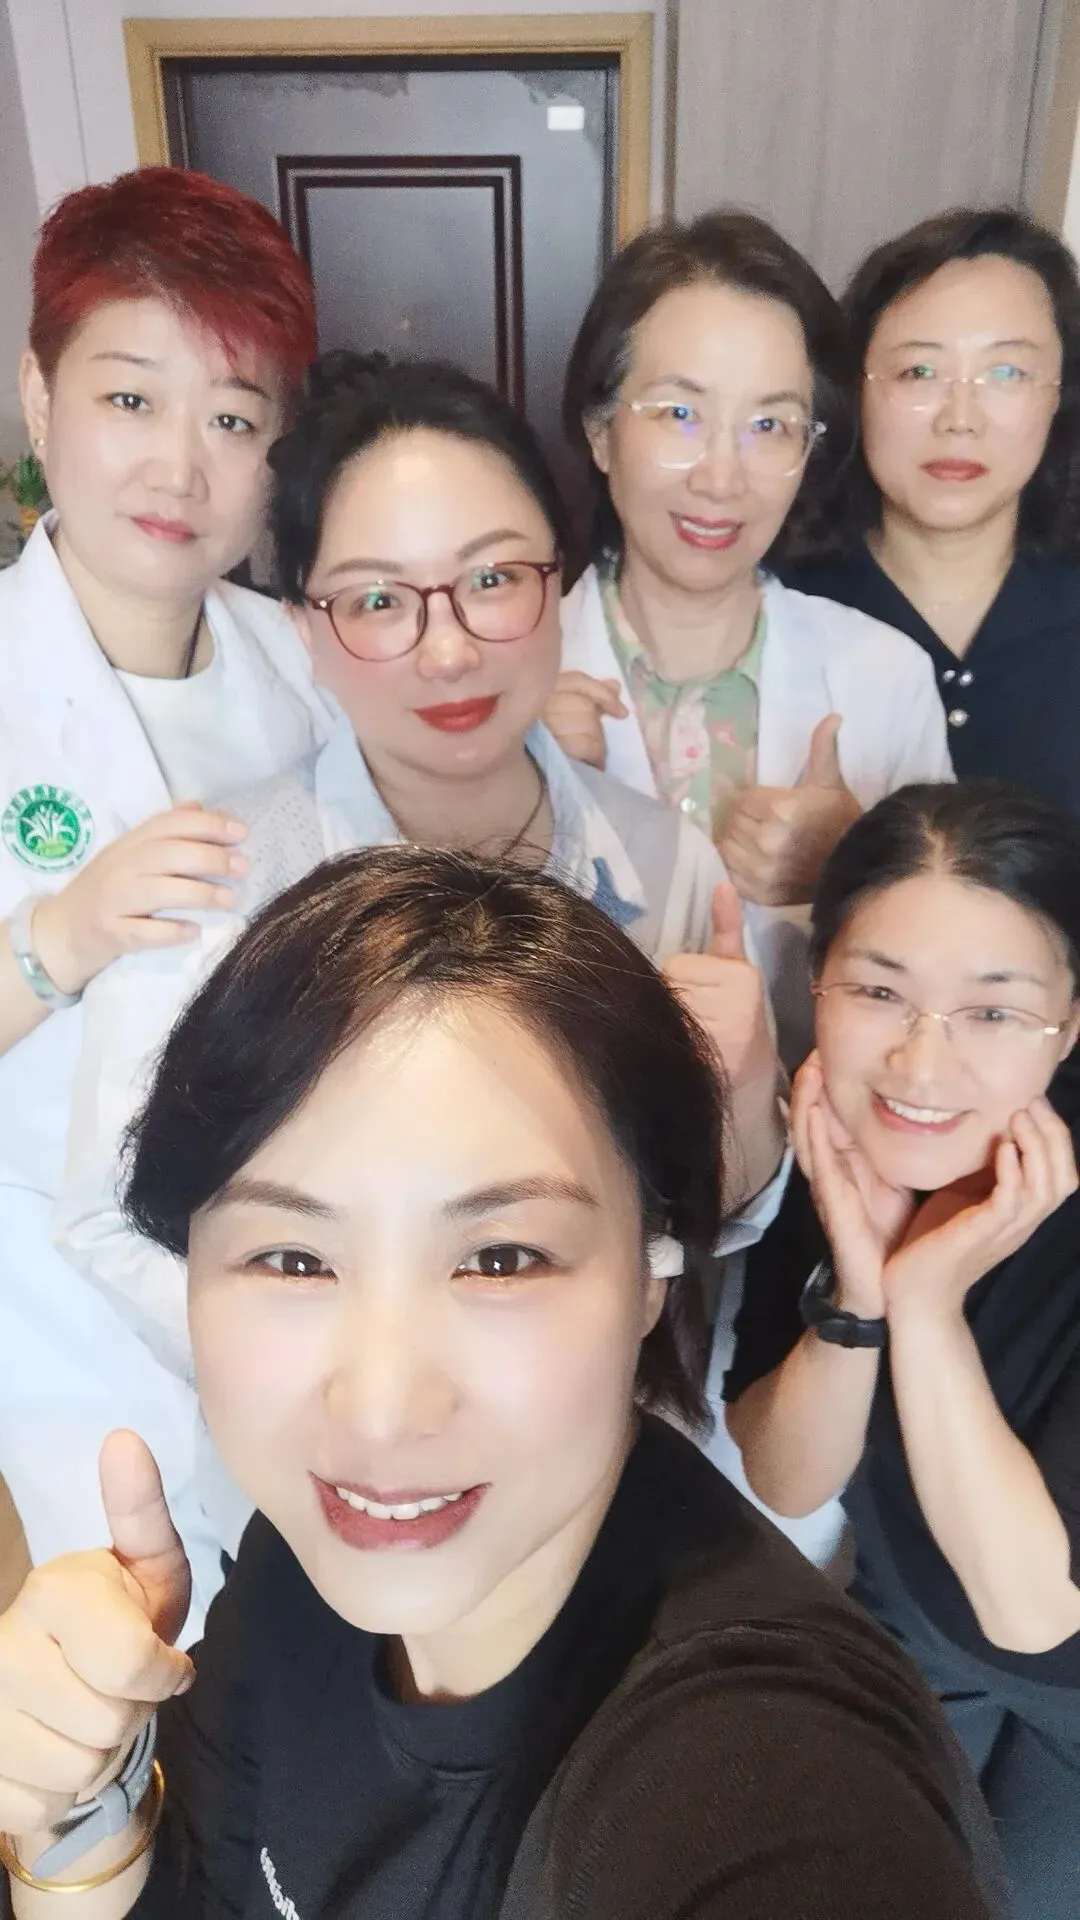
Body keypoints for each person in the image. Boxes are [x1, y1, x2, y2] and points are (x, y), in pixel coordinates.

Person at [0, 848, 1001, 1917]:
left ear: (652, 1270)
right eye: (293, 1260)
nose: (381, 1412)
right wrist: (83, 1800)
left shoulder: (769, 1776)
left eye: (501, 1258)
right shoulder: (299, 1570)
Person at [55, 352, 787, 1569]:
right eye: (378, 600)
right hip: (327, 1500)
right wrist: (326, 1362)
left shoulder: (663, 864)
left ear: (558, 584)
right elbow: (107, 1216)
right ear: (309, 629)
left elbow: (708, 1225)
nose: (447, 652)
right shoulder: (218, 888)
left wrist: (748, 1105)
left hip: (598, 1506)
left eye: (493, 579)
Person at [0, 165, 333, 1629]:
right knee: (133, 1639)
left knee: (308, 1625)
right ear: (39, 399)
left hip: (293, 1250)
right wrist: (57, 938)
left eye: (233, 420)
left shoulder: (299, 665)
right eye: (131, 399)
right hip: (57, 1295)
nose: (180, 469)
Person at [725, 781, 1080, 1920]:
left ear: (1068, 1026)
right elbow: (785, 1476)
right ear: (817, 983)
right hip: (908, 1628)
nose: (922, 1069)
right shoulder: (838, 1144)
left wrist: (928, 1309)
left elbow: (1033, 1614)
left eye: (993, 1012)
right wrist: (861, 1290)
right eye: (880, 992)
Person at [544, 210, 952, 1066]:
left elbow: (947, 979)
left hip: (817, 1133)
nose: (722, 478)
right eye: (679, 413)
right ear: (601, 430)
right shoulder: (512, 675)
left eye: (770, 426)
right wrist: (522, 789)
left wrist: (854, 866)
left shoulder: (885, 677)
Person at [783, 208, 1080, 816]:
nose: (959, 419)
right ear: (855, 389)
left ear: (1060, 394)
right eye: (919, 371)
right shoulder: (778, 609)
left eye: (1007, 372)